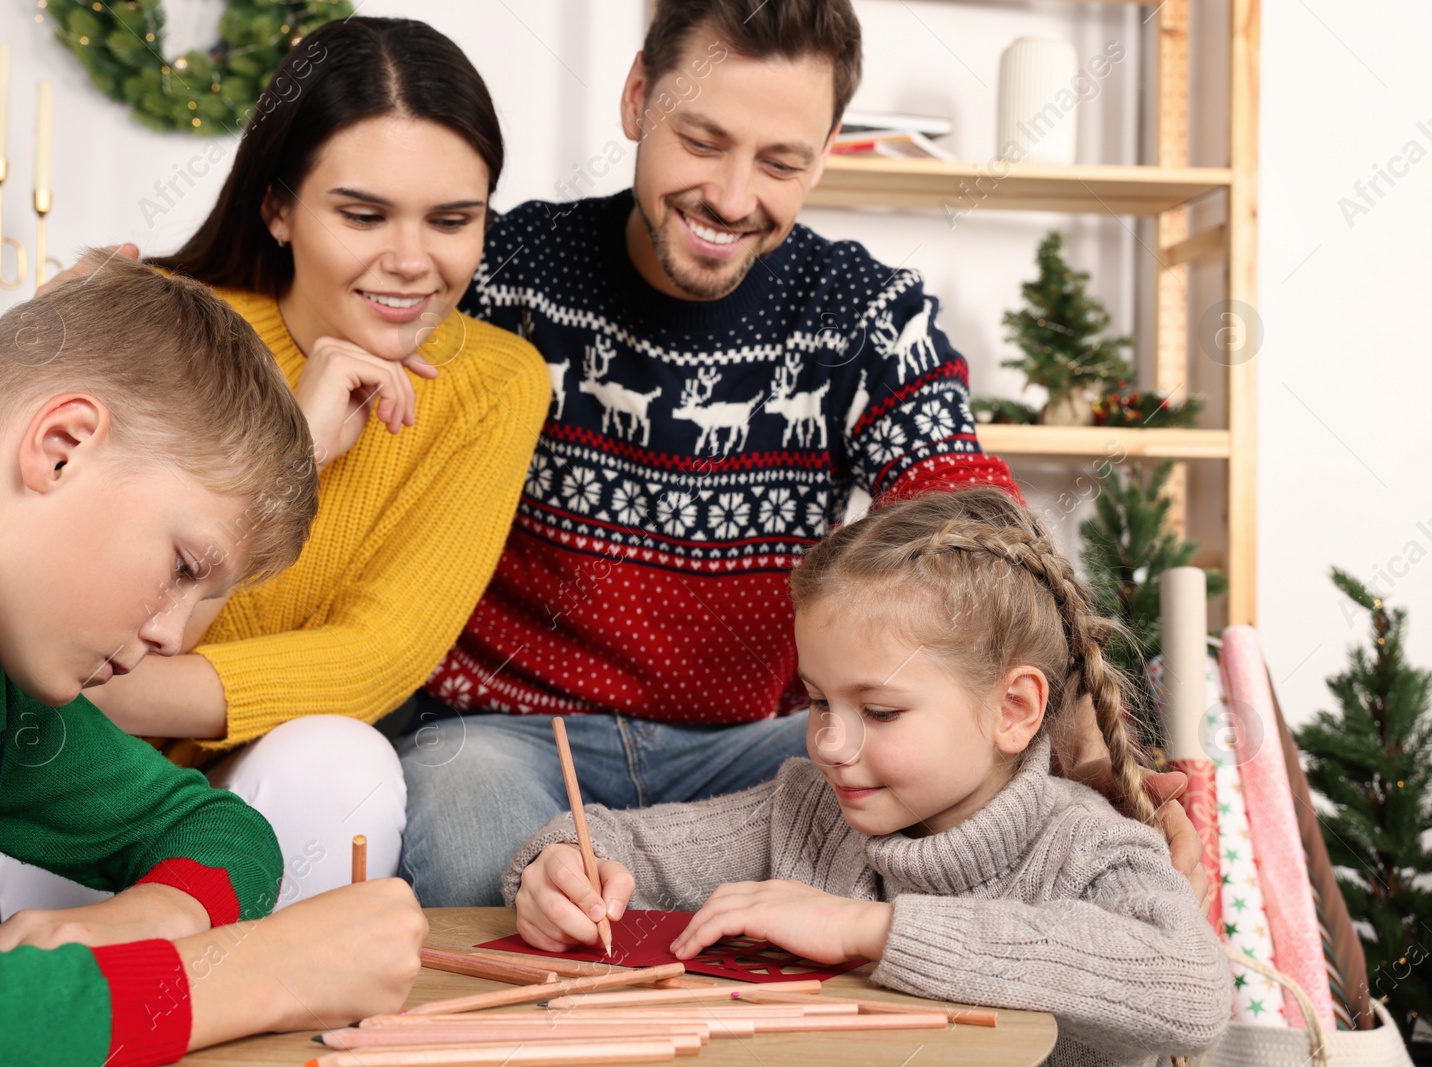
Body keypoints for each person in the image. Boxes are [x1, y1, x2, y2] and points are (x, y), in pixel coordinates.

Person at [401, 0, 1206, 911]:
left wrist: (1093, 758)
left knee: (938, 776)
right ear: (637, 99)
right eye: (702, 142)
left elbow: (992, 546)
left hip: (760, 744)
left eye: (781, 162)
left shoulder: (865, 313)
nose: (733, 198)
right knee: (457, 802)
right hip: (510, 733)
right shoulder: (503, 273)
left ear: (824, 153)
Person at [0, 17, 552, 910]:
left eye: (453, 220)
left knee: (344, 758)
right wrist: (288, 451)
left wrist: (95, 695)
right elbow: (52, 620)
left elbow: (377, 658)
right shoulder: (167, 328)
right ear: (279, 206)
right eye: (363, 215)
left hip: (221, 767)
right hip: (65, 765)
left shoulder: (493, 386)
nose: (411, 263)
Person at [0, 257, 426, 1066]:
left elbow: (218, 827)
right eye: (184, 565)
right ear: (62, 448)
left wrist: (159, 912)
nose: (175, 638)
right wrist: (256, 974)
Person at [507, 487, 1232, 1067]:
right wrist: (561, 866)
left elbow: (1193, 988)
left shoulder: (1089, 844)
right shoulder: (804, 810)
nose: (828, 740)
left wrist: (870, 928)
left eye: (880, 711)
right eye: (819, 699)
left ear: (1013, 709)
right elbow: (606, 837)